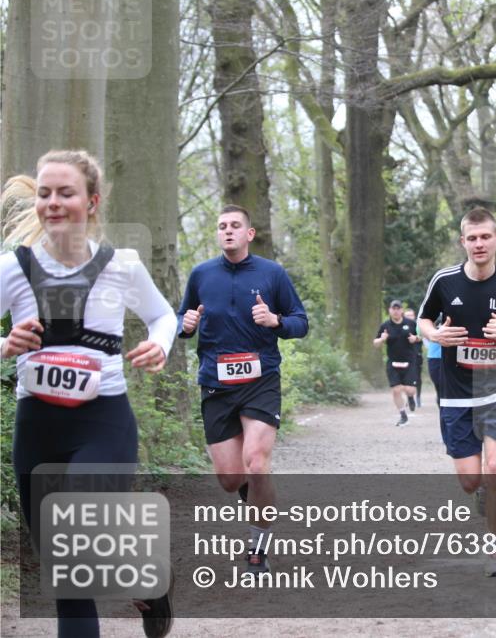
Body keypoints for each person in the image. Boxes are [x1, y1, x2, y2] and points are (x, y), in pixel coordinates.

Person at [0, 152, 176, 638]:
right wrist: (4, 345)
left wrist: (158, 345)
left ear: (92, 202)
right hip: (36, 428)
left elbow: (164, 317)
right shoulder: (12, 268)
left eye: (66, 193)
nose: (52, 202)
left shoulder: (121, 266)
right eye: (44, 193)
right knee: (68, 580)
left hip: (104, 423)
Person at [177, 205, 308, 575]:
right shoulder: (201, 274)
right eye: (222, 226)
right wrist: (185, 324)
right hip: (216, 383)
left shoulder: (272, 273)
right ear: (217, 234)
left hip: (261, 380)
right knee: (231, 478)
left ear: (249, 234)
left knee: (257, 462)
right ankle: (260, 500)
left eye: (235, 226)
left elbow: (301, 322)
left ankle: (257, 548)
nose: (228, 231)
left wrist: (276, 320)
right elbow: (182, 319)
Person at [417, 207, 496, 577]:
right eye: (471, 238)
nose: (479, 244)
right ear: (463, 242)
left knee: (494, 469)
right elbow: (424, 319)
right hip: (457, 393)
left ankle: (495, 552)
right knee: (471, 480)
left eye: (485, 236)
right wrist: (435, 334)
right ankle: (481, 493)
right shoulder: (444, 281)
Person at [374, 300, 420, 426]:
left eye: (398, 308)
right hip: (393, 362)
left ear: (401, 311)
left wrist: (415, 338)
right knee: (396, 390)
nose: (395, 311)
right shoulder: (385, 326)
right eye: (393, 308)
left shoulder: (411, 323)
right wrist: (382, 339)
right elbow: (375, 343)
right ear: (389, 310)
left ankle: (410, 397)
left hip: (409, 361)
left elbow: (421, 336)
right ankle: (403, 415)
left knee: (410, 390)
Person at [404, 307, 424, 408]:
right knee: (406, 378)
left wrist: (415, 338)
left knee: (417, 378)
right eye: (407, 316)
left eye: (411, 315)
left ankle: (418, 397)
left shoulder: (418, 326)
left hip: (417, 356)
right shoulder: (402, 326)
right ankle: (409, 398)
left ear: (414, 316)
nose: (409, 317)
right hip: (405, 357)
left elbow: (423, 337)